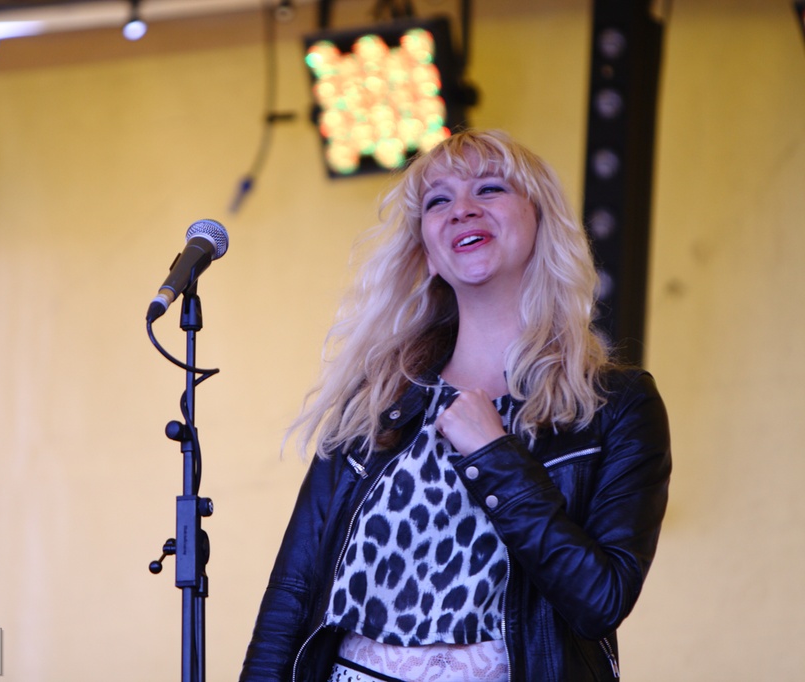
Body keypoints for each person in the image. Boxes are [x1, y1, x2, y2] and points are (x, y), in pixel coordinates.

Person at [240, 129, 671, 682]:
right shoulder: (378, 400)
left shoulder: (614, 407)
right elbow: (293, 591)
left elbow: (601, 599)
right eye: (438, 201)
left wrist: (495, 454)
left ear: (540, 221)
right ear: (427, 250)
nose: (462, 209)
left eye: (489, 189)